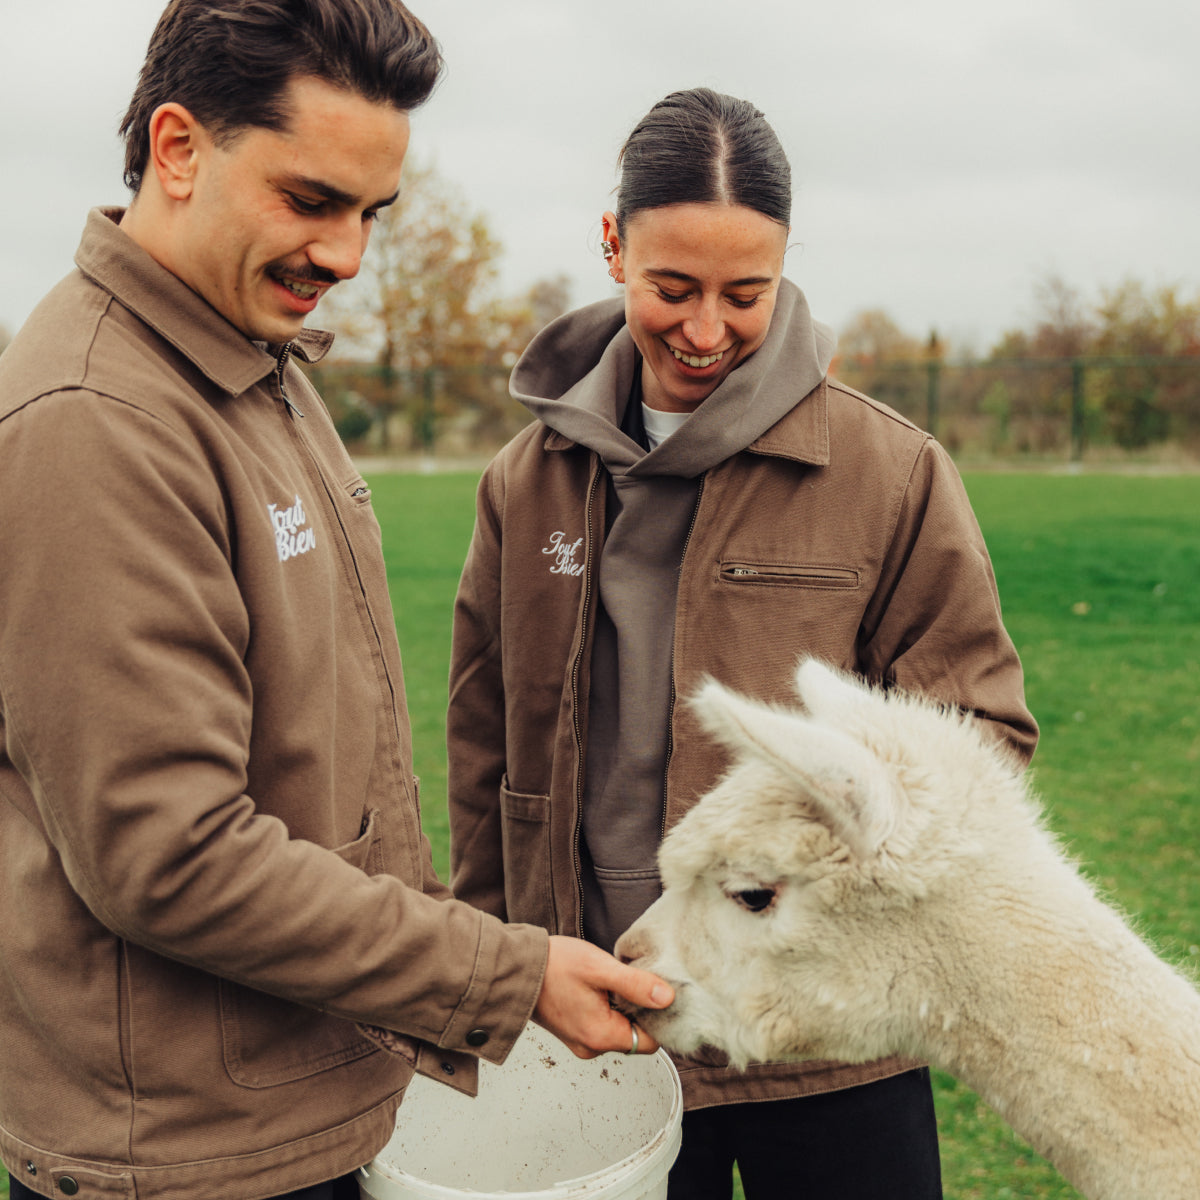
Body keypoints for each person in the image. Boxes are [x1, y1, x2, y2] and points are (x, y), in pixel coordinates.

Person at [0, 4, 673, 1199]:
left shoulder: (252, 366)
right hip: (187, 1158)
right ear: (177, 149)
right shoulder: (97, 422)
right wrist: (502, 974)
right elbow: (170, 855)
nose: (350, 257)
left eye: (372, 213)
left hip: (287, 1100)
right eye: (312, 202)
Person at [447, 88, 1040, 1200]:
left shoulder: (894, 473)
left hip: (828, 1053)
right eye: (671, 288)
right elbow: (486, 758)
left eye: (744, 293)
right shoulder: (521, 485)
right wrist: (498, 974)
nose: (705, 329)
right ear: (614, 244)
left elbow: (985, 744)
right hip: (596, 1026)